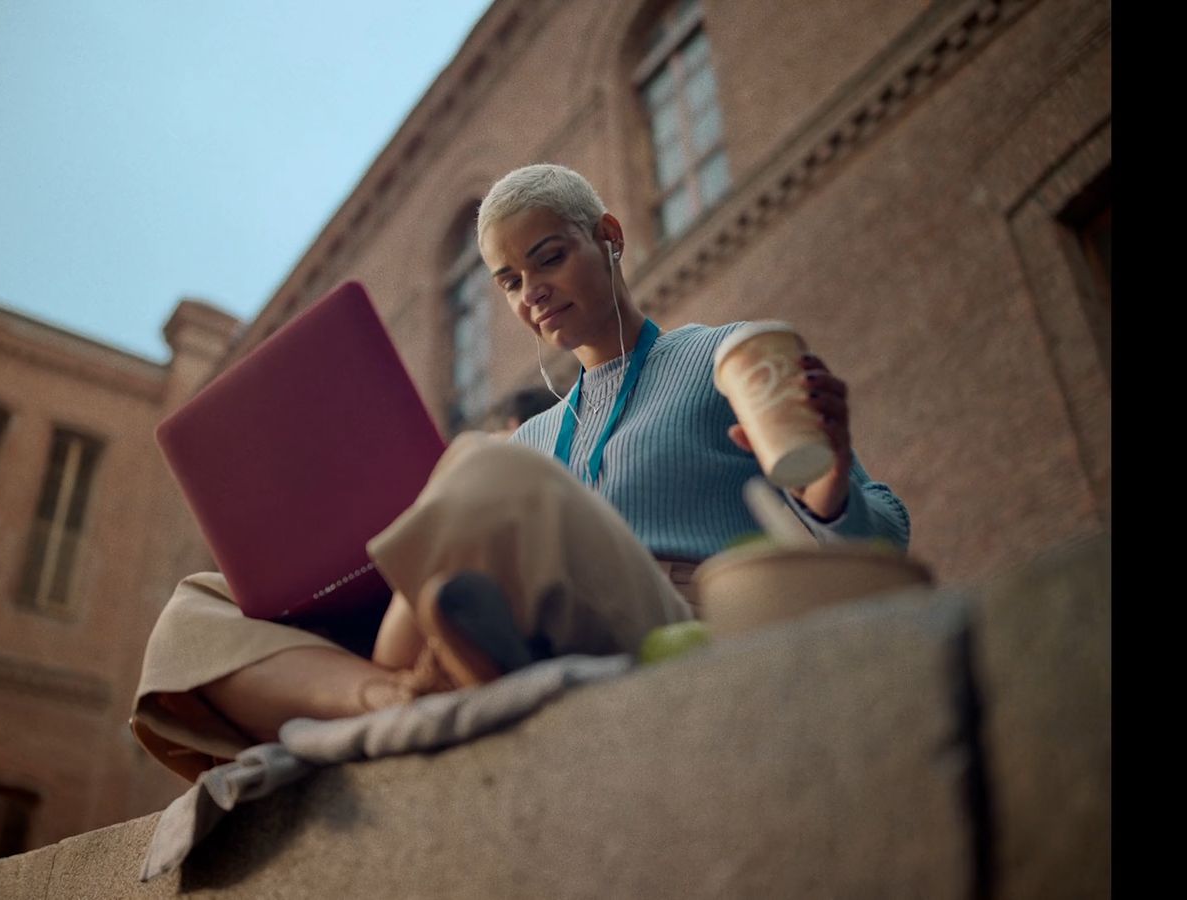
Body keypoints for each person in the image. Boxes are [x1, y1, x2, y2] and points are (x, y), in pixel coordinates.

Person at [130, 164, 909, 782]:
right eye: (509, 281)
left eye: (548, 258)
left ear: (609, 237)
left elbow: (884, 530)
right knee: (195, 608)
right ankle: (395, 698)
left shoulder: (720, 355)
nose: (531, 293)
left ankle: (390, 689)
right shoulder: (535, 435)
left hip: (662, 615)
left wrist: (827, 478)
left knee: (478, 467)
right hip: (484, 625)